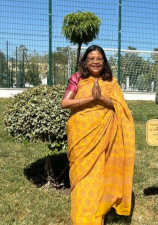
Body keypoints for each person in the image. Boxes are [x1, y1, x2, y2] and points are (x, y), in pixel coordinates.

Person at [61, 45, 135, 225]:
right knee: (81, 179)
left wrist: (101, 98)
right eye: (91, 58)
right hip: (81, 137)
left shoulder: (110, 82)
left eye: (99, 59)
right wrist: (91, 99)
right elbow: (65, 103)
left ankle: (96, 219)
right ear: (85, 61)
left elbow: (121, 107)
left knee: (97, 179)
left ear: (104, 62)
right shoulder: (77, 78)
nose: (95, 62)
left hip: (103, 137)